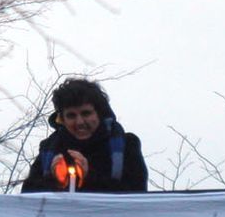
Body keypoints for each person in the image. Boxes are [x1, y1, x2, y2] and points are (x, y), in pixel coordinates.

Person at [20, 77, 148, 194]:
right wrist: (55, 180)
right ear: (62, 119)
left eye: (86, 113)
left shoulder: (126, 145)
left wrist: (89, 176)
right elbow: (27, 197)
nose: (80, 122)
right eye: (71, 116)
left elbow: (137, 194)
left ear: (99, 113)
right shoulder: (50, 149)